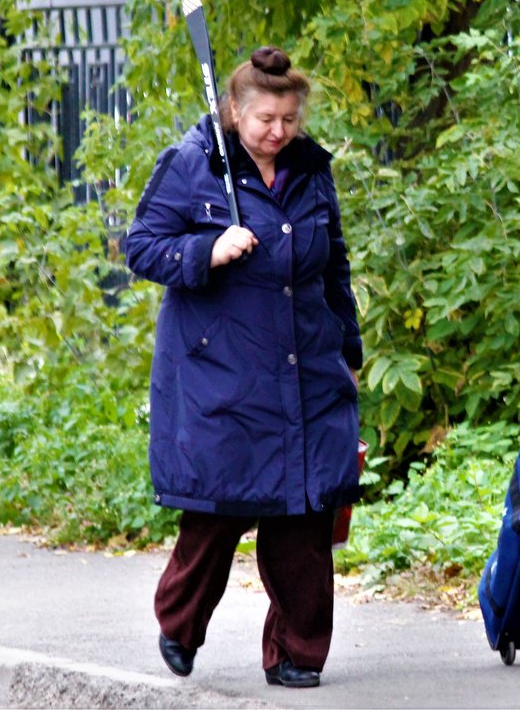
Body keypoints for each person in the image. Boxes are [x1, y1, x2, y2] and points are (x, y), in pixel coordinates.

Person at [124, 46, 362, 689]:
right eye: (264, 118)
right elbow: (141, 248)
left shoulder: (311, 171)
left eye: (289, 118)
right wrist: (207, 250)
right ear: (234, 110)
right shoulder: (190, 165)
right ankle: (180, 624)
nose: (278, 131)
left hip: (306, 365)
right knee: (217, 510)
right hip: (220, 370)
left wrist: (349, 349)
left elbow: (333, 261)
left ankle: (296, 653)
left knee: (305, 518)